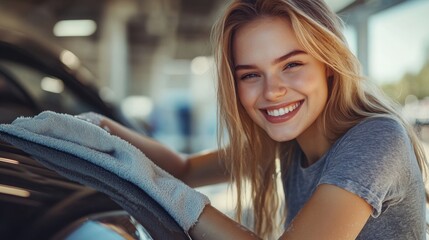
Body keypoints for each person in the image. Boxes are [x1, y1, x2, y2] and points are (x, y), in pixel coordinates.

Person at [81, 0, 429, 239]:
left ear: (329, 65)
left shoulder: (377, 139)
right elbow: (185, 169)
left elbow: (175, 181)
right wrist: (98, 128)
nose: (272, 91)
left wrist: (166, 192)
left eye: (291, 65)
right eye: (250, 75)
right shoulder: (288, 145)